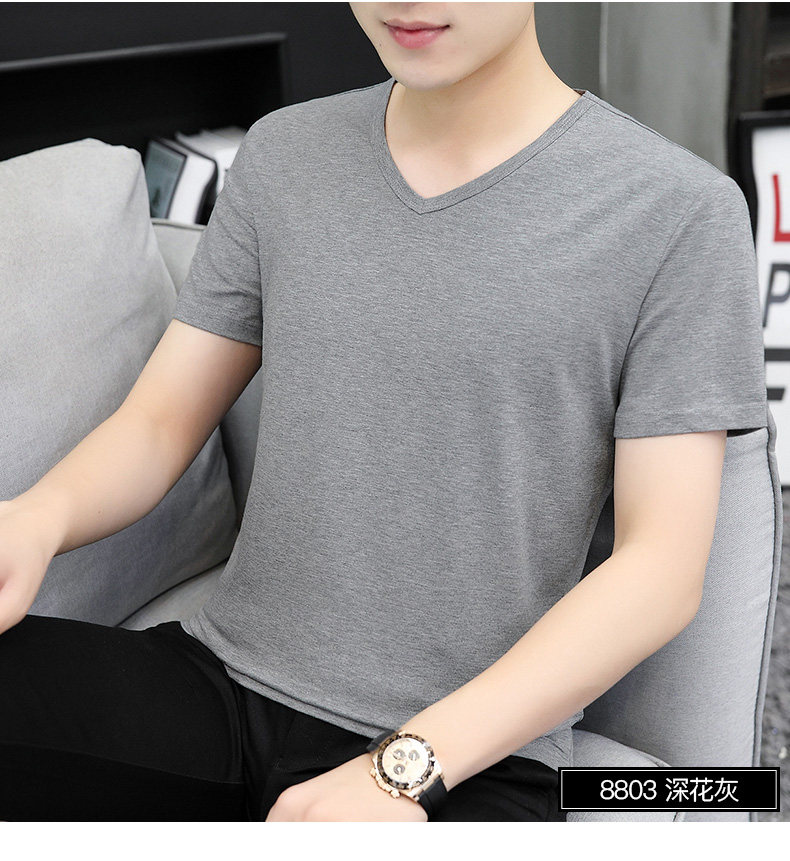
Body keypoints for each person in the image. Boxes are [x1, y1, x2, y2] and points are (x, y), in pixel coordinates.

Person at [0, 2, 768, 822]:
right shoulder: (286, 153)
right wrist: (37, 518)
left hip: (475, 756)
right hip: (223, 682)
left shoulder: (679, 211)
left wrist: (403, 768)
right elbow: (159, 422)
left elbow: (660, 568)